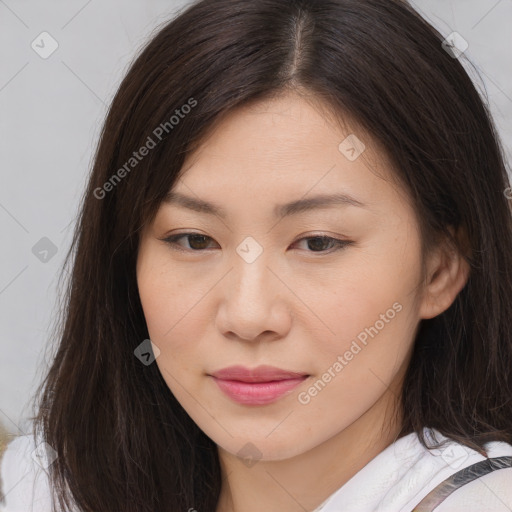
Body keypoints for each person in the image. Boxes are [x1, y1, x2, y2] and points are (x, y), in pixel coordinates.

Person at [2, 0, 512, 511]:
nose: (248, 316)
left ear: (440, 268)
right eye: (194, 240)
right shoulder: (40, 490)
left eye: (317, 242)